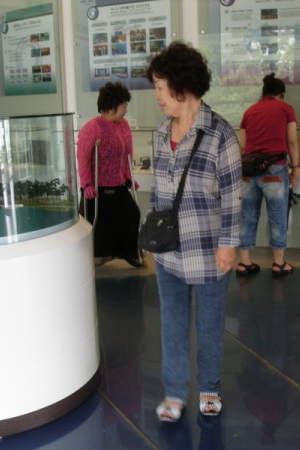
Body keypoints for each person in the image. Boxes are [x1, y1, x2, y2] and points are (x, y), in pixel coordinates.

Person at [145, 41, 242, 421]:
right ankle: (174, 392)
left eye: (161, 87)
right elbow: (158, 193)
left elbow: (233, 196)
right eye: (155, 87)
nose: (157, 96)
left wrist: (228, 245)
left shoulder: (220, 134)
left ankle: (209, 388)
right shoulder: (160, 133)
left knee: (210, 324)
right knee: (172, 323)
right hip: (169, 251)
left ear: (183, 86)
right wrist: (151, 237)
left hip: (208, 250)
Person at [236, 73, 300, 277]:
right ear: (281, 94)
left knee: (246, 215)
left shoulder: (249, 112)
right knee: (277, 216)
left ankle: (244, 263)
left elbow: (243, 146)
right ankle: (279, 264)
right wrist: (295, 168)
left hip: (248, 171)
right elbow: (292, 142)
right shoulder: (286, 109)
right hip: (274, 169)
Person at [77, 81, 142, 268]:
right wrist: (86, 184)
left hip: (118, 183)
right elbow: (83, 157)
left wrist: (128, 177)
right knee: (99, 224)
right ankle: (98, 256)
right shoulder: (93, 127)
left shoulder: (124, 125)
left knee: (132, 213)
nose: (125, 110)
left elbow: (127, 153)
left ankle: (128, 252)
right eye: (123, 105)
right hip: (97, 187)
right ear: (112, 106)